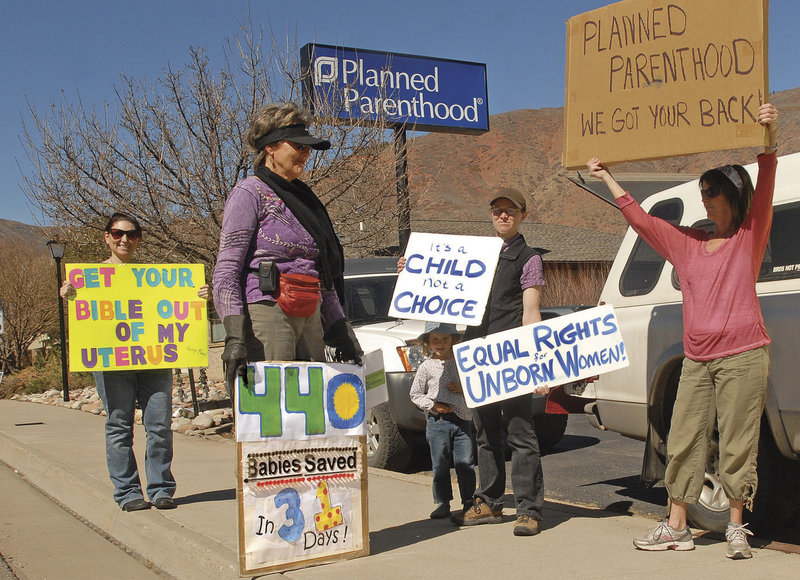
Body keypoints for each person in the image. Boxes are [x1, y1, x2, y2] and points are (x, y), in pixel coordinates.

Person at [586, 102, 779, 560]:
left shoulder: (748, 236)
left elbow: (767, 185)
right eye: (703, 189)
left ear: (734, 196)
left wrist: (769, 138)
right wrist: (608, 177)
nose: (706, 196)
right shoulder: (688, 243)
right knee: (684, 439)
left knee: (737, 442)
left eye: (713, 190)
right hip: (697, 359)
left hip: (744, 355)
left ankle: (735, 527)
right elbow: (643, 222)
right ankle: (677, 526)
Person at [60, 212, 207, 512]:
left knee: (159, 426)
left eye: (131, 234)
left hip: (154, 361)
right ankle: (127, 493)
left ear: (139, 239)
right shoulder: (88, 280)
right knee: (118, 427)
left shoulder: (155, 279)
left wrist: (198, 294)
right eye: (117, 233)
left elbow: (178, 305)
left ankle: (161, 489)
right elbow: (84, 317)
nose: (124, 239)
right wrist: (70, 295)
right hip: (113, 365)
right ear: (107, 237)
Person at [212, 102, 362, 393]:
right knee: (273, 403)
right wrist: (234, 336)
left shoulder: (307, 201)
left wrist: (340, 329)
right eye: (299, 146)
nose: (306, 153)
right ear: (271, 147)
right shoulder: (249, 193)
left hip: (310, 311)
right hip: (267, 311)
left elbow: (323, 273)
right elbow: (227, 269)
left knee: (310, 405)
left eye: (308, 148)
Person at [450, 187, 548, 537]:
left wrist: (537, 363)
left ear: (523, 215)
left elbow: (531, 312)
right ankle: (489, 503)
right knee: (486, 433)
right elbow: (441, 286)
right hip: (476, 356)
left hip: (512, 356)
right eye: (497, 210)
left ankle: (529, 510)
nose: (503, 215)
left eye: (510, 210)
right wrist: (409, 268)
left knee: (521, 433)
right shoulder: (474, 255)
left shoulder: (529, 258)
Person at [409, 321, 476, 519]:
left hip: (463, 420)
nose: (440, 343)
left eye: (445, 339)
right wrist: (433, 406)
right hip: (438, 421)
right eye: (435, 340)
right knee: (440, 463)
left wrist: (463, 388)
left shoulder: (462, 363)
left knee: (465, 462)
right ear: (427, 343)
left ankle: (469, 501)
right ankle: (442, 502)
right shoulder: (426, 367)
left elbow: (476, 385)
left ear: (453, 340)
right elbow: (415, 394)